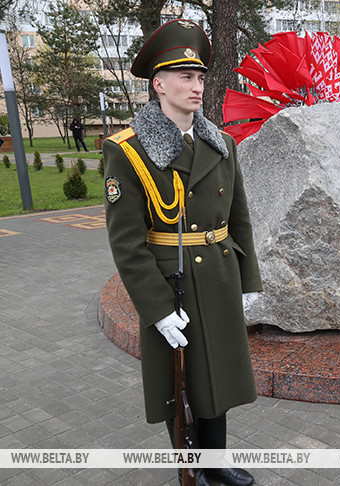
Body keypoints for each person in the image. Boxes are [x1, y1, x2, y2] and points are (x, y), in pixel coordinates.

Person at [103, 19, 261, 486]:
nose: (196, 87)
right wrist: (156, 308)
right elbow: (126, 243)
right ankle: (189, 468)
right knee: (180, 383)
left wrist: (248, 280)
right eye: (185, 77)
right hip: (171, 283)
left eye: (200, 78)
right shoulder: (128, 151)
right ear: (159, 84)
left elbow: (239, 217)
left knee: (218, 377)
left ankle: (215, 461)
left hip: (219, 276)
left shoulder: (221, 143)